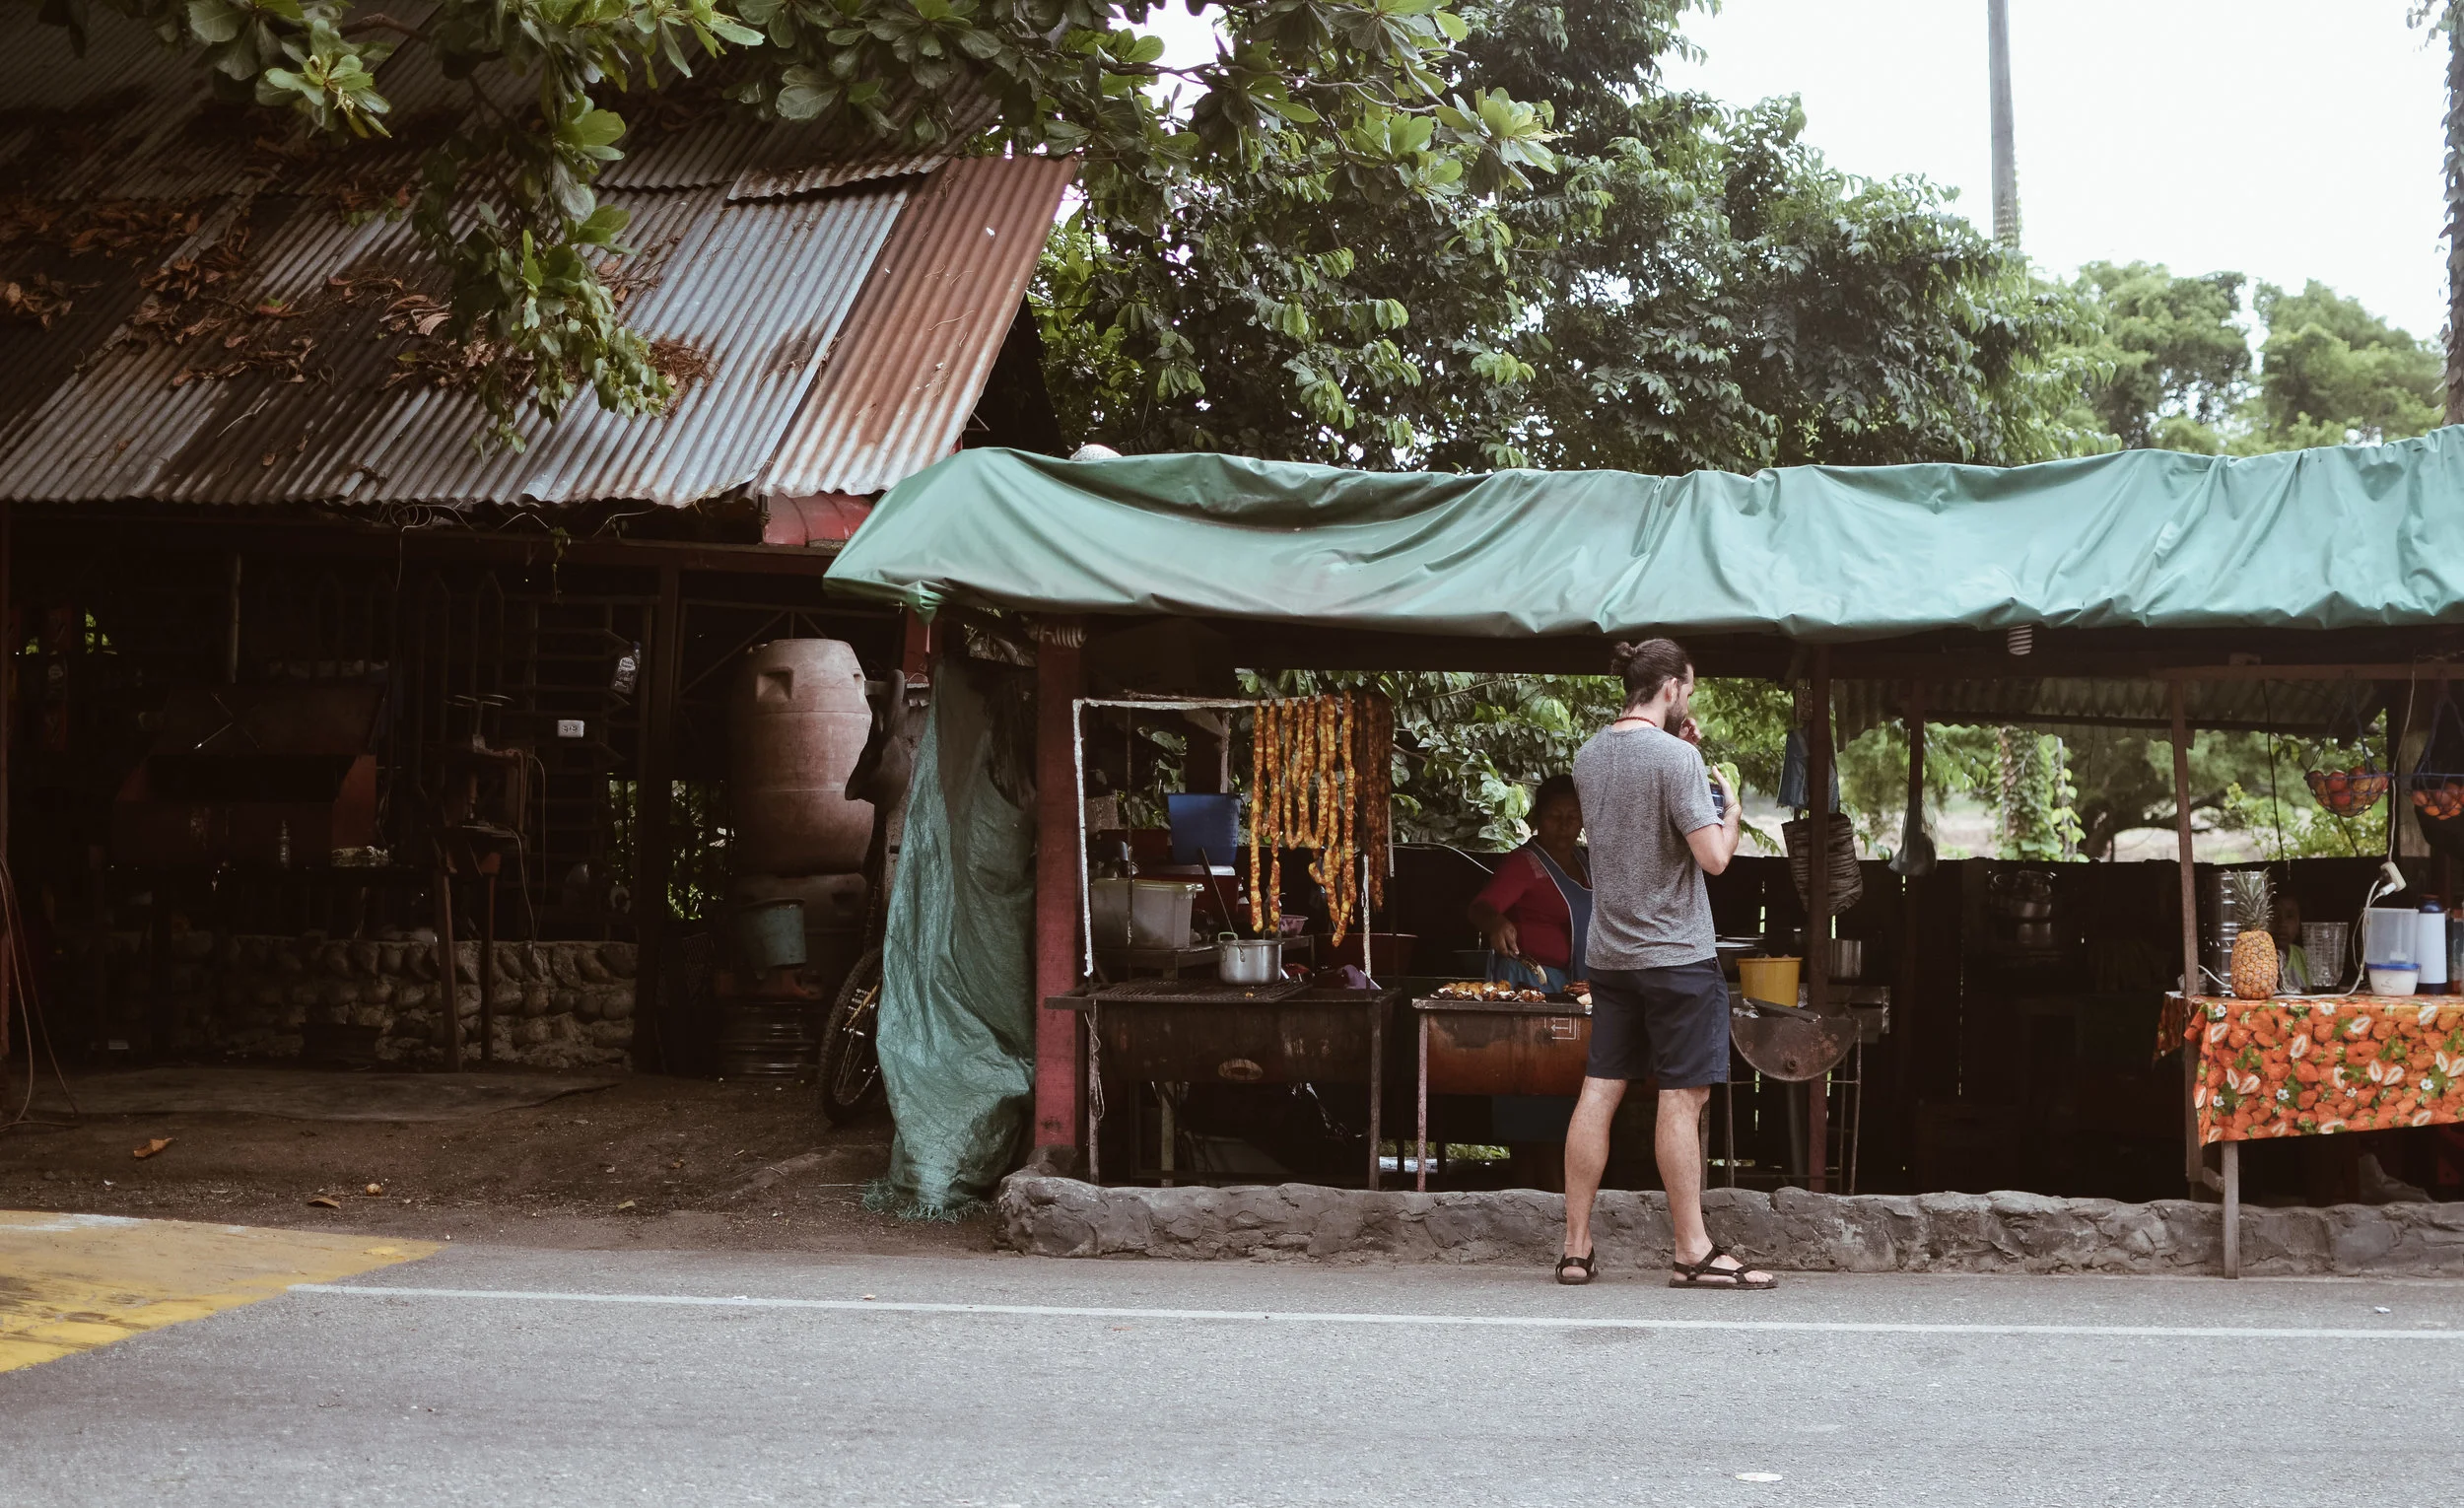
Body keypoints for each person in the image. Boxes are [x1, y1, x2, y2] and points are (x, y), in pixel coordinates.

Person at [1558, 638, 1774, 1290]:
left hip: (1612, 954)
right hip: (1676, 956)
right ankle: (1691, 1249)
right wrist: (1730, 812)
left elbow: (1633, 812)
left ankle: (1575, 1248)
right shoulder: (1681, 758)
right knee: (1682, 1100)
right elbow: (1712, 857)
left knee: (1600, 1089)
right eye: (1690, 687)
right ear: (1674, 686)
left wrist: (1683, 749)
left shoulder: (1589, 755)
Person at [1469, 775, 1592, 994]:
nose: (1564, 825)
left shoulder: (1584, 862)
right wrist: (1496, 923)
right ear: (1538, 818)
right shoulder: (1524, 863)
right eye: (1554, 816)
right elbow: (1479, 908)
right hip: (1526, 980)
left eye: (1572, 816)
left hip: (1573, 983)